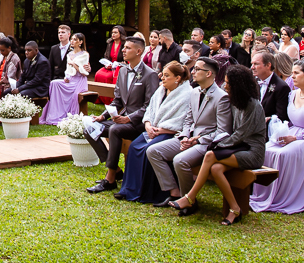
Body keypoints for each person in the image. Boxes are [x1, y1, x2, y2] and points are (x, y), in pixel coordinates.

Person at [169, 65, 266, 225]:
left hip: (252, 151)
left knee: (210, 154)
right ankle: (235, 209)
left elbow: (240, 134)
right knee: (215, 168)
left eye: (228, 83)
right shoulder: (236, 100)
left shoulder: (254, 106)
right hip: (237, 147)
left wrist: (217, 145)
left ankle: (190, 197)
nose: (224, 85)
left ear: (238, 85)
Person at [251, 59, 304, 214]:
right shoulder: (294, 93)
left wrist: (296, 137)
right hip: (296, 132)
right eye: (292, 73)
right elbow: (292, 121)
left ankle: (285, 196)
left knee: (284, 154)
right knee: (267, 149)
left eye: (296, 73)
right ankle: (266, 194)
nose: (292, 77)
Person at [146, 57, 232, 209]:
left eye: (198, 69)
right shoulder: (195, 92)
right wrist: (185, 136)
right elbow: (188, 120)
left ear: (209, 74)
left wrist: (197, 140)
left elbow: (223, 131)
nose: (193, 71)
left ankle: (189, 201)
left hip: (206, 143)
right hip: (188, 138)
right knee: (153, 150)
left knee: (180, 160)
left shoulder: (222, 97)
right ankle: (174, 192)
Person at [84, 36, 157, 193]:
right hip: (120, 120)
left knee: (115, 130)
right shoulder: (123, 71)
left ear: (139, 51)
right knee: (89, 128)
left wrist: (129, 118)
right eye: (124, 47)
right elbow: (117, 100)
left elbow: (150, 106)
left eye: (128, 48)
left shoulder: (150, 74)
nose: (123, 50)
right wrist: (102, 116)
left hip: (138, 123)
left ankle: (110, 179)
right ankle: (116, 170)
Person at [116, 62, 190, 204]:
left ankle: (148, 193)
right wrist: (148, 125)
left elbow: (182, 120)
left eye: (167, 75)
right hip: (153, 130)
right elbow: (149, 110)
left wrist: (160, 130)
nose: (162, 77)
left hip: (170, 133)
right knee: (134, 147)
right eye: (163, 73)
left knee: (147, 151)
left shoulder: (186, 95)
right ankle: (130, 189)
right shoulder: (161, 90)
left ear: (178, 78)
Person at [40, 33, 91, 125]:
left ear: (80, 42)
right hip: (70, 79)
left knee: (75, 94)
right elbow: (68, 70)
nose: (72, 41)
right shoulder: (70, 54)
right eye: (71, 39)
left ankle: (70, 115)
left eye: (75, 40)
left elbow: (84, 72)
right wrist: (66, 76)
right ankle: (55, 114)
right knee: (54, 84)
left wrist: (73, 64)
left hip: (79, 81)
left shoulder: (85, 54)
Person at [251, 50, 289, 122]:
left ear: (268, 65)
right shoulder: (253, 82)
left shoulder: (281, 87)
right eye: (252, 64)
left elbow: (282, 116)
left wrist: (268, 119)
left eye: (256, 64)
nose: (252, 67)